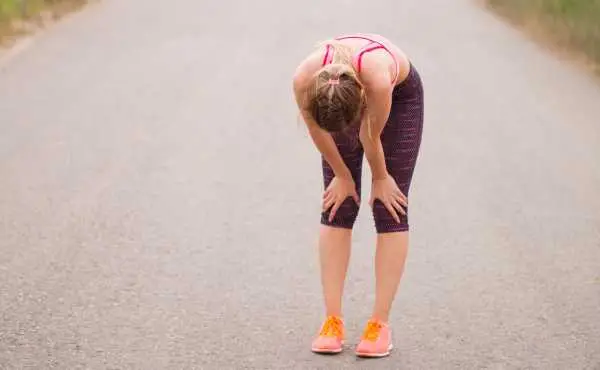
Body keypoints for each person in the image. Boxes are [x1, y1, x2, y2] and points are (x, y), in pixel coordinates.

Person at [292, 33, 424, 358]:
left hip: (399, 96)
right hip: (343, 92)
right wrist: (341, 175)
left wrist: (380, 178)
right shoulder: (304, 79)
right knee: (338, 203)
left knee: (389, 206)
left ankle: (379, 325)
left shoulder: (378, 81)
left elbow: (369, 135)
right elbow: (315, 129)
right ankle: (332, 320)